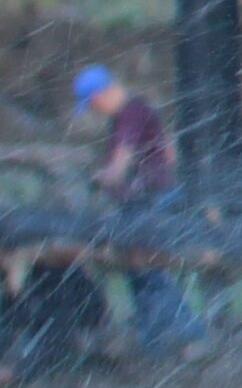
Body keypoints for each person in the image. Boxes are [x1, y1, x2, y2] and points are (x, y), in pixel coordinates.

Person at [71, 66, 208, 354]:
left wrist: (98, 179)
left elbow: (120, 169)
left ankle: (184, 333)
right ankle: (158, 337)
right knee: (139, 270)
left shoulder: (130, 115)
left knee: (146, 269)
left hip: (152, 203)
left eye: (93, 104)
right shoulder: (134, 113)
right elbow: (167, 153)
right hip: (151, 199)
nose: (96, 111)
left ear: (100, 96)